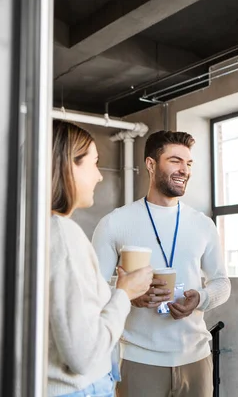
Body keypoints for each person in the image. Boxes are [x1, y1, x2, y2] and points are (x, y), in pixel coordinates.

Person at [92, 130, 231, 397]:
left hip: (196, 359)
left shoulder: (203, 224)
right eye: (175, 160)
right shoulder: (115, 222)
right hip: (139, 360)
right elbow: (93, 289)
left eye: (189, 163)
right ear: (151, 164)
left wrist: (200, 298)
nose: (185, 170)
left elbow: (221, 282)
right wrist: (128, 294)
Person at [48, 120, 153, 397]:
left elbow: (62, 302)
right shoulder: (63, 235)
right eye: (94, 163)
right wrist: (123, 294)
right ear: (69, 165)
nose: (99, 176)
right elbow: (83, 355)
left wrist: (117, 291)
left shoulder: (32, 228)